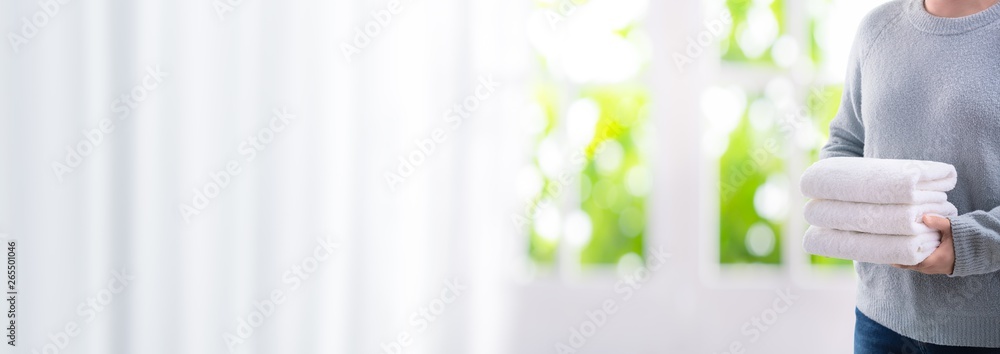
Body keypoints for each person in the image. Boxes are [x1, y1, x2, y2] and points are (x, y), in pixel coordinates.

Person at [821, 0, 1000, 352]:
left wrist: (969, 244)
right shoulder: (876, 29)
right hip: (878, 321)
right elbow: (845, 144)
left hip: (983, 332)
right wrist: (855, 219)